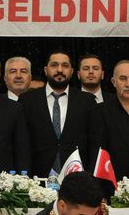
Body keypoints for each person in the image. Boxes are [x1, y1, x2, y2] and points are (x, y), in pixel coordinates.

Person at [20, 50, 96, 178]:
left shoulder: (87, 101)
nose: (60, 70)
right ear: (45, 70)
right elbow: (22, 144)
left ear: (72, 71)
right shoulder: (27, 100)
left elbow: (93, 144)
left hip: (77, 177)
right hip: (37, 178)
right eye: (54, 65)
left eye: (65, 66)